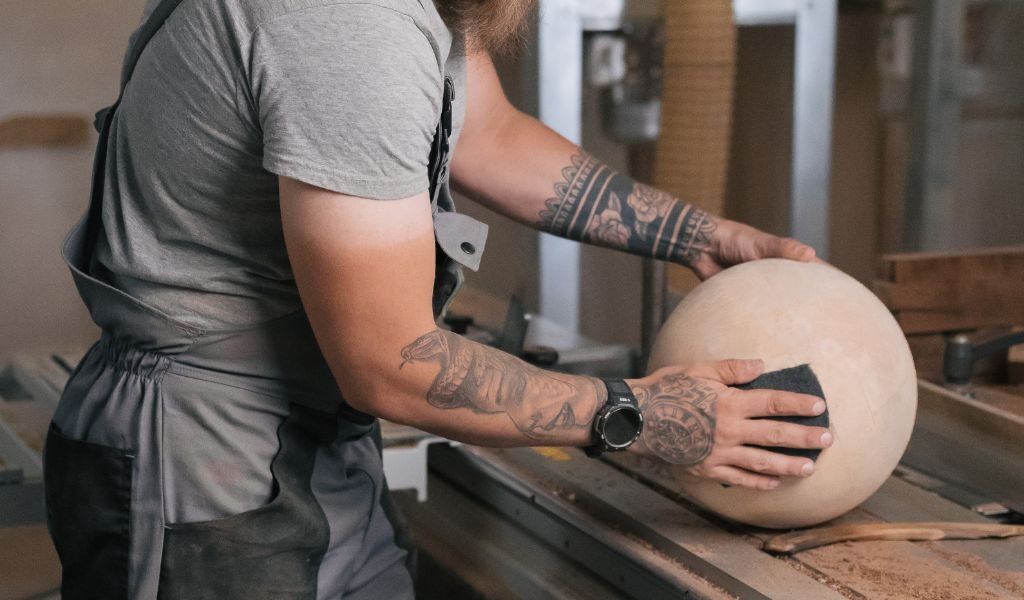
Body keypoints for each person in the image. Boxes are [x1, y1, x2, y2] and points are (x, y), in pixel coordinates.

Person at [43, 0, 832, 598]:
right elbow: (389, 363)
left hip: (301, 432)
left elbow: (485, 133)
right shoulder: (349, 24)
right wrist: (637, 414)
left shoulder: (414, 12)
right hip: (207, 463)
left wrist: (696, 235)